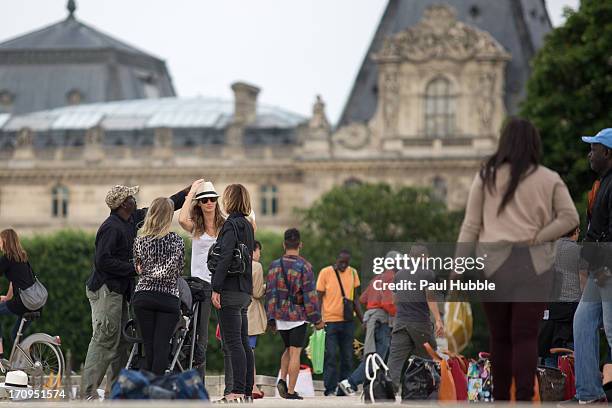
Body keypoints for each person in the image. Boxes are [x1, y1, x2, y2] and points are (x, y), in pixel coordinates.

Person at [457, 117, 578, 401]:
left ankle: (500, 400)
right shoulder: (549, 178)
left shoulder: (486, 176)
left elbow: (471, 226)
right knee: (525, 337)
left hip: (494, 266)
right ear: (534, 144)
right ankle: (524, 399)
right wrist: (541, 235)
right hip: (533, 266)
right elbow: (570, 217)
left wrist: (459, 267)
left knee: (499, 338)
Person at [81, 184, 188, 399]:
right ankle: (87, 393)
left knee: (121, 342)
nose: (135, 199)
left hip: (120, 290)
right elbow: (103, 261)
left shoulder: (131, 219)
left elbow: (162, 208)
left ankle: (116, 391)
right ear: (123, 204)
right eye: (131, 197)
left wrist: (186, 193)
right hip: (106, 290)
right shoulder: (111, 227)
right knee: (105, 338)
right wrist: (134, 268)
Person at [569, 128, 612, 404]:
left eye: (594, 148)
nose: (589, 154)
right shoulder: (604, 183)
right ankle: (588, 393)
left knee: (611, 329)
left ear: (607, 152)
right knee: (583, 322)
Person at [266, 228, 324, 400]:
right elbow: (310, 297)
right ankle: (290, 392)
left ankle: (282, 380)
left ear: (284, 244)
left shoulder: (274, 266)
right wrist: (317, 319)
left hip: (279, 315)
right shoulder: (305, 267)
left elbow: (270, 293)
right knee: (295, 352)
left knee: (287, 349)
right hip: (297, 317)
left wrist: (271, 319)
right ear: (300, 245)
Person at [211, 184, 255, 403]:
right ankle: (246, 391)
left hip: (229, 289)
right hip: (245, 291)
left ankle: (235, 391)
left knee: (232, 342)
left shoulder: (230, 225)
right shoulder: (247, 225)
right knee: (243, 342)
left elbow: (225, 256)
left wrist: (216, 286)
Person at [178, 179, 225, 381]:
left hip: (221, 284)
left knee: (230, 335)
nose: (209, 202)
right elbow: (181, 219)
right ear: (199, 203)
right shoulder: (196, 226)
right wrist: (191, 193)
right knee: (200, 337)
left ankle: (236, 385)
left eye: (212, 199)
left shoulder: (225, 227)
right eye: (204, 199)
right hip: (200, 286)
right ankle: (199, 383)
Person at [132, 197, 184, 375]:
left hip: (143, 296)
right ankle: (157, 392)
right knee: (162, 347)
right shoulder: (177, 241)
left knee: (148, 347)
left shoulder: (140, 240)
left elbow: (138, 268)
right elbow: (178, 270)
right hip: (167, 297)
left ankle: (146, 392)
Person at [339, 251, 397, 396]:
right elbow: (388, 304)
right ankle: (349, 383)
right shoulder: (392, 278)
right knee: (376, 360)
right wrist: (398, 313)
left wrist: (372, 308)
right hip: (382, 322)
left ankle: (371, 388)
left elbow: (363, 299)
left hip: (372, 321)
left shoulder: (376, 279)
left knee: (373, 358)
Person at [387, 245, 444, 390]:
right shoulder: (428, 274)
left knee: (395, 361)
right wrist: (438, 319)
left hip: (400, 323)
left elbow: (394, 300)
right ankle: (429, 390)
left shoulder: (399, 274)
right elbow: (430, 298)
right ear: (424, 257)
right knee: (430, 355)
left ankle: (387, 392)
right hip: (420, 322)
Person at [316, 249, 362, 396]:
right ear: (336, 260)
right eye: (341, 262)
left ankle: (344, 387)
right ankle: (329, 388)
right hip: (330, 321)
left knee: (347, 356)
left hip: (348, 321)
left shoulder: (353, 273)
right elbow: (318, 297)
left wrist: (363, 319)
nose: (343, 265)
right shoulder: (325, 273)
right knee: (331, 355)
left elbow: (356, 300)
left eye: (346, 263)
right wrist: (317, 319)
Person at [538, 226, 584, 367]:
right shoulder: (579, 251)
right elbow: (583, 281)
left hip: (549, 310)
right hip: (571, 309)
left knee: (550, 352)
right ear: (575, 231)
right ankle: (573, 384)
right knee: (572, 352)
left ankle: (552, 386)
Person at [0, 229, 40, 356]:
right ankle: (30, 364)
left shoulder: (7, 258)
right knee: (16, 335)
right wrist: (7, 297)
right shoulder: (22, 257)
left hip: (23, 302)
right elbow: (15, 281)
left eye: (0, 241)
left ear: (5, 241)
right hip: (35, 302)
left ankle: (0, 351)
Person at [248, 240, 267, 399]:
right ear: (253, 251)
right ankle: (252, 385)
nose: (259, 254)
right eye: (259, 251)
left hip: (235, 310)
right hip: (251, 312)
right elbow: (258, 292)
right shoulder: (256, 266)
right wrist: (266, 288)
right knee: (250, 351)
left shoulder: (235, 261)